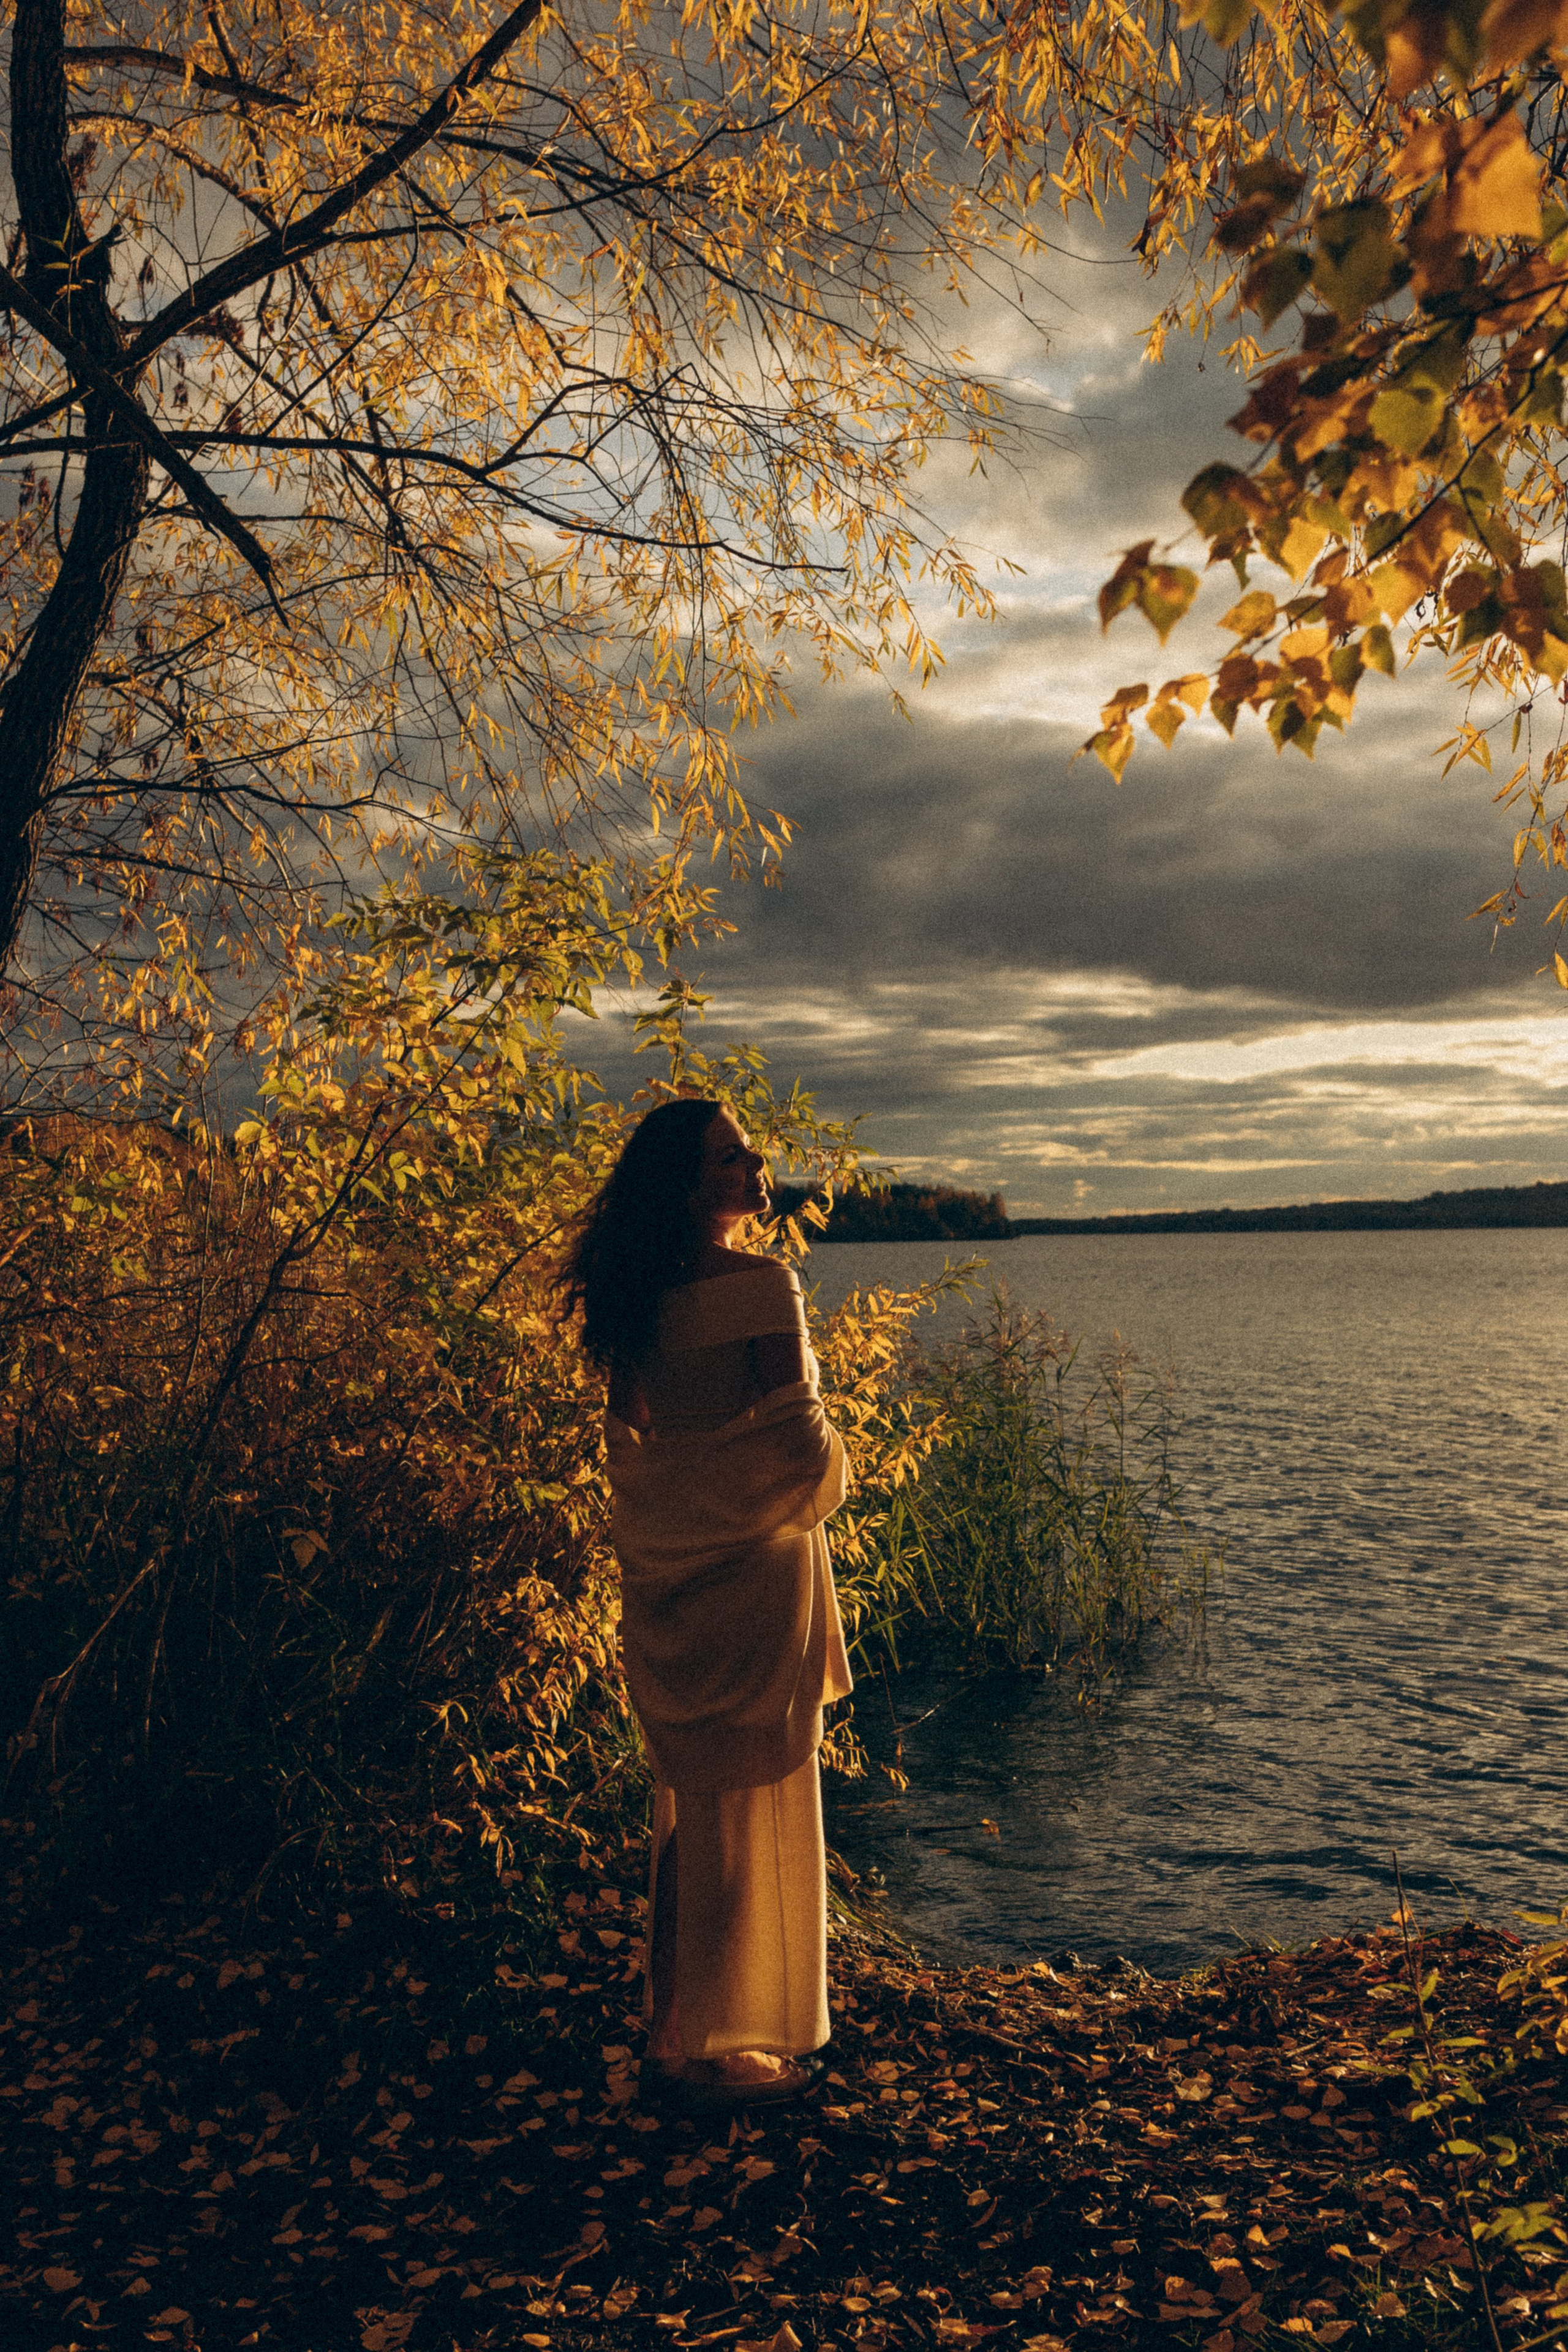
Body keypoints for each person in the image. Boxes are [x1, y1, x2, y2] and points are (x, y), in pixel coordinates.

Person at [565, 1097, 852, 2106]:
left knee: (694, 1811)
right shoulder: (762, 1285)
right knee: (740, 1809)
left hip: (673, 1583)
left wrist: (681, 1530)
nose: (754, 1168)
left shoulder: (630, 1295)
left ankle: (672, 2033)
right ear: (689, 1184)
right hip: (754, 1584)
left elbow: (640, 1452)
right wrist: (825, 1479)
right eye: (731, 1158)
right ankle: (707, 2052)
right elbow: (796, 1444)